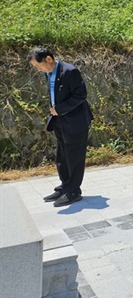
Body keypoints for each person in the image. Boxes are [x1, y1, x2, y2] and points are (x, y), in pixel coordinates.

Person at [28, 46, 93, 207]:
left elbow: (81, 95)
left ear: (48, 59)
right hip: (59, 120)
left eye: (38, 65)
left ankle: (74, 191)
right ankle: (65, 186)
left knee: (74, 157)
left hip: (75, 121)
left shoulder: (70, 71)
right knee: (62, 156)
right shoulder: (49, 72)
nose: (38, 69)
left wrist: (60, 108)